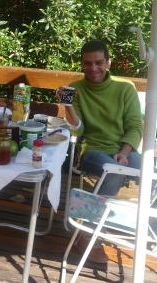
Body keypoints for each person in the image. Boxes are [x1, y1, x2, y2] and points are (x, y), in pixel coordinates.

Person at [60, 39, 143, 262]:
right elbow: (78, 130)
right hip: (93, 149)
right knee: (113, 170)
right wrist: (67, 105)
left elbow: (135, 126)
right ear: (82, 64)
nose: (93, 68)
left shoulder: (125, 87)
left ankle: (148, 226)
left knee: (149, 169)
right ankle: (87, 235)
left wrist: (124, 152)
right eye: (87, 63)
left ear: (108, 62)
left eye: (98, 62)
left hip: (123, 149)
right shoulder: (75, 89)